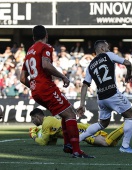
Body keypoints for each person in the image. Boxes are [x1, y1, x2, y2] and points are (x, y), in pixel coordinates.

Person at [20, 25, 94, 158]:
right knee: (71, 114)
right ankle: (76, 150)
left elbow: (22, 78)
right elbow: (46, 65)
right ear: (46, 35)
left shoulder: (29, 51)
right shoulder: (45, 47)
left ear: (33, 37)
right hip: (46, 88)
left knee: (66, 112)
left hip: (36, 91)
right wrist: (63, 76)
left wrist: (33, 87)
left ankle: (68, 145)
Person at [77, 40, 132, 153]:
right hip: (112, 93)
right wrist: (129, 74)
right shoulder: (108, 55)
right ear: (102, 49)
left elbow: (85, 85)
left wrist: (82, 104)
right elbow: (128, 63)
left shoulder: (90, 66)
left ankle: (79, 139)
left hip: (101, 98)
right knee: (130, 116)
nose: (109, 49)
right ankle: (125, 147)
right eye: (107, 47)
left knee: (103, 123)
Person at [29, 108, 132, 147]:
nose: (32, 121)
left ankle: (129, 123)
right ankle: (131, 123)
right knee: (113, 143)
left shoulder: (46, 123)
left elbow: (43, 142)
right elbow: (50, 142)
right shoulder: (49, 121)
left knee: (106, 143)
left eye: (33, 119)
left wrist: (34, 136)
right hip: (80, 129)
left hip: (81, 131)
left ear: (37, 116)